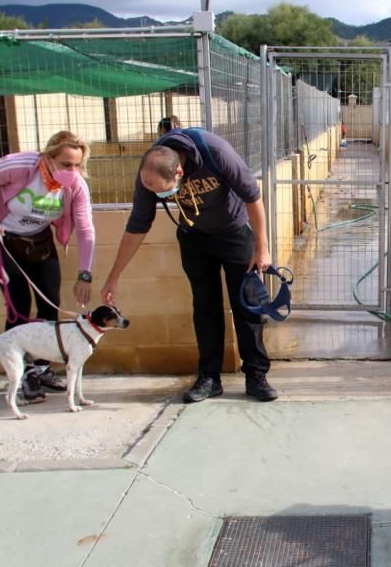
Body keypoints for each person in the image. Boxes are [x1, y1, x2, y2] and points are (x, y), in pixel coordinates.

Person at [99, 128, 278, 403]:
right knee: (205, 307)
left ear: (179, 173)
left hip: (234, 234)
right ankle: (209, 377)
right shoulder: (151, 170)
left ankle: (256, 376)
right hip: (194, 240)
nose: (155, 194)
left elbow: (253, 196)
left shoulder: (216, 152)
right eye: (150, 188)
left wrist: (262, 248)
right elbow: (137, 225)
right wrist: (114, 276)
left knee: (247, 305)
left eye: (161, 190)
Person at [0, 131, 96, 402]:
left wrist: (85, 274)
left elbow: (86, 230)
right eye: (65, 164)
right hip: (3, 239)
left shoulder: (76, 185)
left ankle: (42, 370)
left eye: (77, 165)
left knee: (50, 303)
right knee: (19, 303)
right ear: (49, 158)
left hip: (40, 242)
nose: (72, 171)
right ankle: (22, 374)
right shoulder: (20, 166)